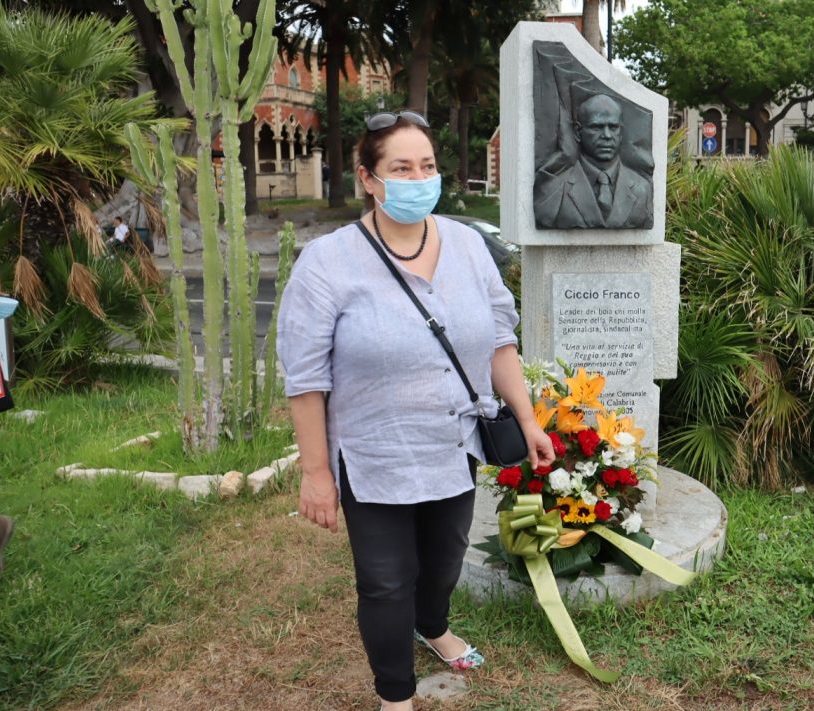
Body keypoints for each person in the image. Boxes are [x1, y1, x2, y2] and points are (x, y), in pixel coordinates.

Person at [278, 110, 555, 711]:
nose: (417, 178)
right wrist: (316, 473)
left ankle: (433, 626)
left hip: (454, 448)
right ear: (369, 179)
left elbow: (500, 341)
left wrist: (528, 420)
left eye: (426, 165)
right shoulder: (327, 263)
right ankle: (395, 695)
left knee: (442, 565)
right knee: (384, 582)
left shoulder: (467, 246)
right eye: (400, 167)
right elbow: (306, 381)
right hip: (374, 456)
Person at [534, 92, 653, 230]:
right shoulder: (553, 191)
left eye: (613, 127)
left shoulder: (643, 189)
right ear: (578, 132)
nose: (607, 136)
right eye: (597, 127)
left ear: (621, 132)